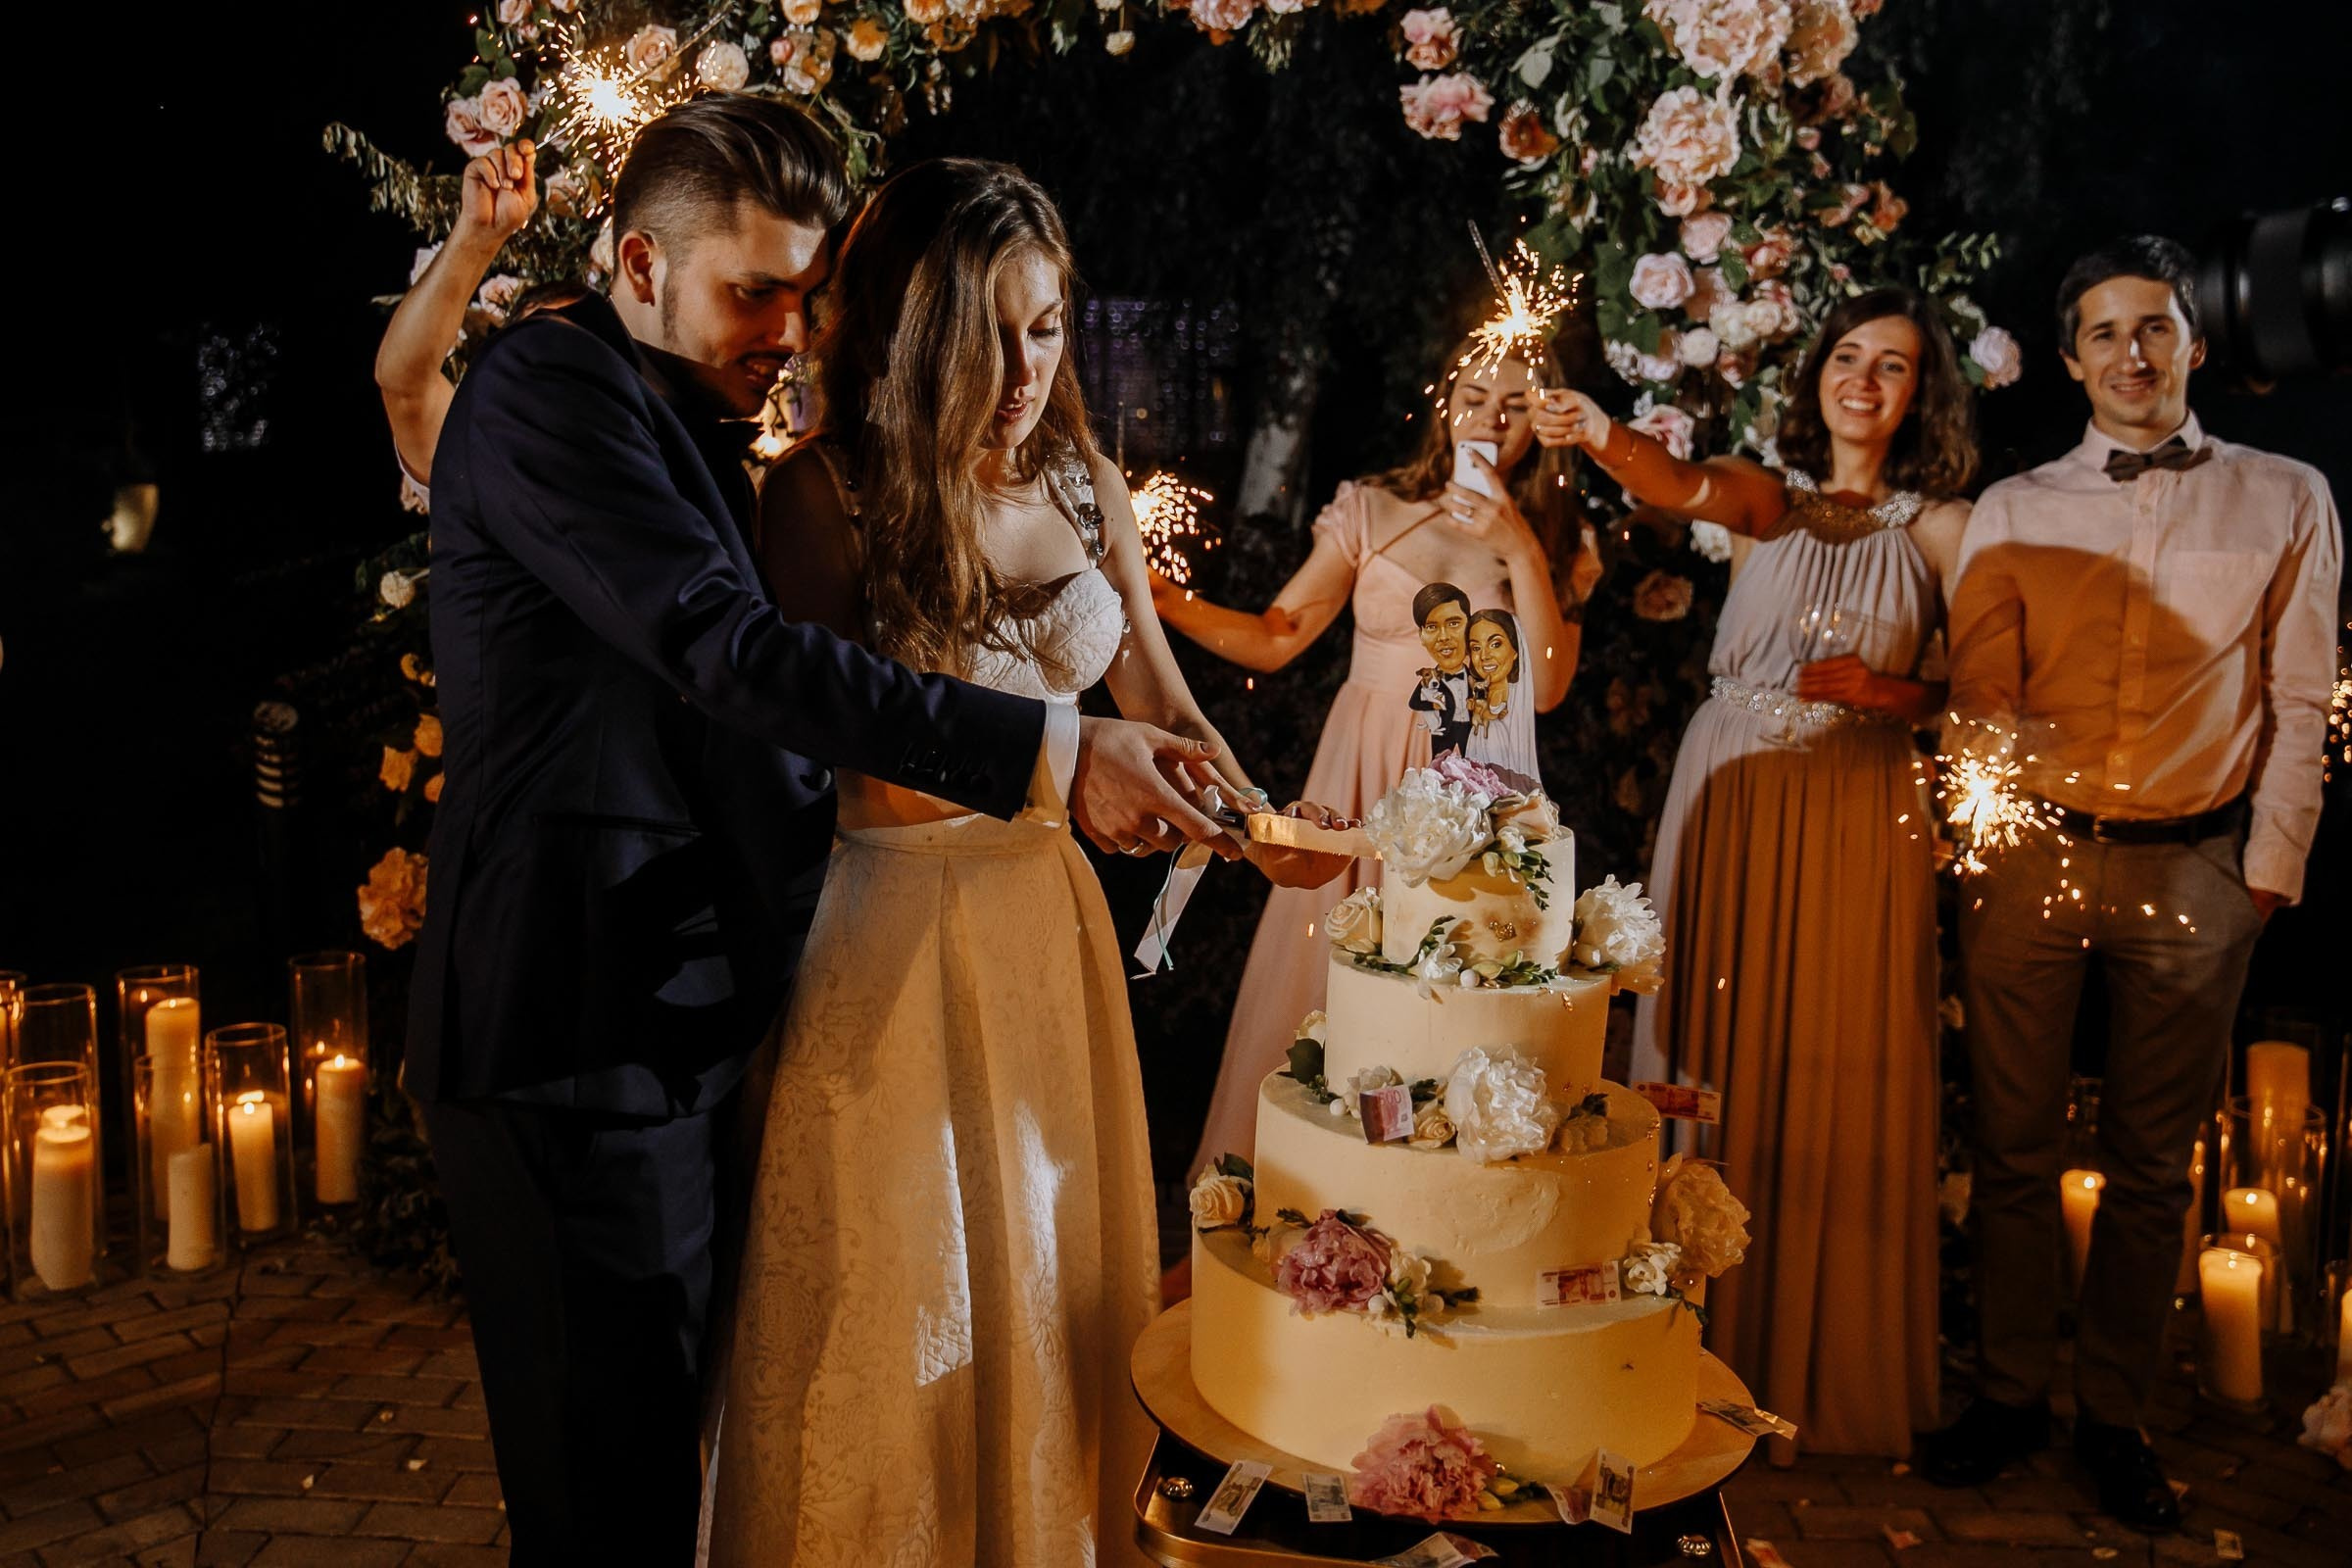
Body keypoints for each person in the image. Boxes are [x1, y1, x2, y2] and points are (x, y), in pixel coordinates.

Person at [404, 99, 1233, 1566]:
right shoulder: (552, 390)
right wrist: (1048, 749)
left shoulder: (683, 403)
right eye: (751, 291)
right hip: (573, 1027)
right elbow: (729, 653)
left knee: (678, 1461)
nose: (786, 331)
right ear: (639, 264)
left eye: (803, 293)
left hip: (684, 1018)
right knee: (609, 1505)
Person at [703, 158, 1349, 1566]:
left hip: (1045, 941)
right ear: (908, 325)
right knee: (910, 1294)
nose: (1020, 366)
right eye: (984, 329)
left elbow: (1164, 713)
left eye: (1046, 325)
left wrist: (1263, 835)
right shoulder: (821, 498)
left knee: (1054, 1286)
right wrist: (1058, 755)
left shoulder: (1082, 478)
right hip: (892, 947)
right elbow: (817, 752)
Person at [1924, 237, 2341, 1526]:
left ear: (2195, 344)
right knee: (2011, 1146)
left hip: (2200, 869)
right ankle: (2007, 1396)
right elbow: (1979, 704)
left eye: (2155, 328)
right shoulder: (2016, 509)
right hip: (2032, 861)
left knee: (2155, 1164)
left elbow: (2296, 692)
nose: (2134, 355)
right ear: (2070, 359)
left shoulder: (2288, 494)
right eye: (2105, 334)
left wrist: (2264, 872)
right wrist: (1979, 838)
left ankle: (2113, 1419)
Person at [1535, 287, 1977, 1459]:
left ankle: (1818, 1366)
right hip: (1730, 795)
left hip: (1854, 807)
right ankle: (1679, 1349)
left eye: (1894, 365)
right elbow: (1677, 486)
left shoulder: (1943, 529)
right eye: (1848, 355)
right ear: (1819, 373)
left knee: (1843, 1048)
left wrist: (1896, 696)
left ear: (1921, 394)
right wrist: (1597, 430)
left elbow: (1981, 686)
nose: (1865, 380)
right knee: (1704, 1050)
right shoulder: (1769, 498)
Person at [1158, 338, 1599, 1200]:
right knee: (1319, 969)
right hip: (1361, 766)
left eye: (1515, 405)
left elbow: (1544, 689)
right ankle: (1264, 1191)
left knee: (1434, 996)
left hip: (1469, 791)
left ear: (1543, 426)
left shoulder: (1555, 536)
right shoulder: (1374, 505)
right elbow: (1278, 639)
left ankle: (1411, 1207)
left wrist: (1518, 545)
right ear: (1445, 402)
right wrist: (1163, 599)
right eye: (1475, 396)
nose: (1491, 419)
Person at [374, 138, 587, 499]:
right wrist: (480, 232)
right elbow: (404, 382)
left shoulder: (651, 466)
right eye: (536, 348)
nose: (556, 367)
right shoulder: (485, 465)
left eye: (580, 351)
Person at [1464, 605, 1540, 787]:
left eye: (1495, 644)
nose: (1484, 656)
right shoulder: (1475, 695)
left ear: (1515, 650)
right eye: (1476, 648)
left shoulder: (1520, 700)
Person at [1407, 580, 1478, 755]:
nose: (1444, 637)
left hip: (1471, 734)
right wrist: (1435, 704)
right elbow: (1414, 702)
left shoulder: (1476, 678)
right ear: (1421, 636)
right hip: (1442, 732)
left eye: (1453, 624)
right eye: (1432, 627)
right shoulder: (1429, 680)